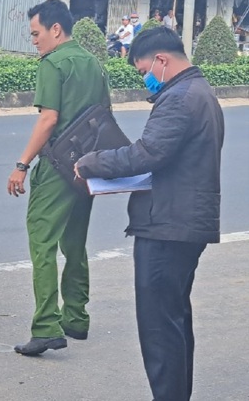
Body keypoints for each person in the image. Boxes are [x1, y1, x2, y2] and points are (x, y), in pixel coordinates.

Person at [75, 27, 224, 401]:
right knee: (174, 322)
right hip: (182, 222)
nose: (145, 77)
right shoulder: (200, 92)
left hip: (168, 227)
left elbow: (147, 154)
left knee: (160, 330)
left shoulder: (179, 98)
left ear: (161, 60)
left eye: (144, 70)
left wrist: (92, 161)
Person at [7, 0, 109, 356]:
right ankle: (77, 317)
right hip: (87, 166)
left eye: (36, 34)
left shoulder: (53, 64)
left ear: (55, 29)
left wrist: (21, 164)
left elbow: (48, 119)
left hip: (56, 167)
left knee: (43, 243)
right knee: (75, 242)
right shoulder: (93, 63)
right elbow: (104, 116)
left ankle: (47, 326)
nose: (34, 41)